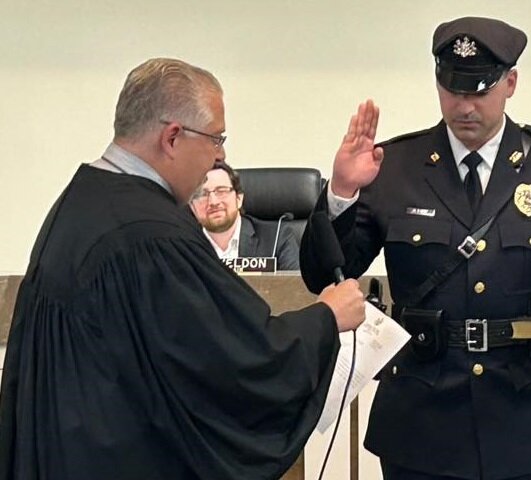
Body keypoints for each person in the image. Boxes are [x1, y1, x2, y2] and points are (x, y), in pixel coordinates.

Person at [0, 58, 366, 480]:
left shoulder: (83, 198)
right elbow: (234, 359)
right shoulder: (150, 234)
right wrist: (327, 319)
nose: (221, 155)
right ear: (173, 137)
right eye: (216, 138)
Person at [300, 16, 531, 480]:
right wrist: (342, 195)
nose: (465, 105)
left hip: (528, 417)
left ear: (510, 83)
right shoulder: (393, 165)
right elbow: (324, 275)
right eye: (453, 89)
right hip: (421, 420)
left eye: (479, 90)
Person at [190, 161, 300, 270]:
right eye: (202, 194)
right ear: (192, 206)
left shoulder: (277, 238)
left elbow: (294, 286)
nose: (213, 202)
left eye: (221, 191)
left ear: (239, 199)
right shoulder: (179, 245)